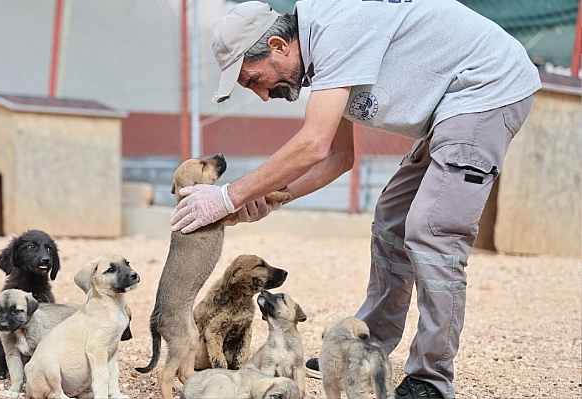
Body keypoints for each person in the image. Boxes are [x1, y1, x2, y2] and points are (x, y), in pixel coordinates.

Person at [170, 1, 541, 398]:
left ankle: (430, 380)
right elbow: (337, 157)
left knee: (433, 231)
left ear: (278, 45)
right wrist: (271, 198)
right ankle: (369, 343)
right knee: (392, 216)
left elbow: (313, 144)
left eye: (254, 79)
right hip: (454, 105)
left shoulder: (335, 29)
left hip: (488, 89)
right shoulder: (321, 50)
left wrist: (228, 196)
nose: (262, 95)